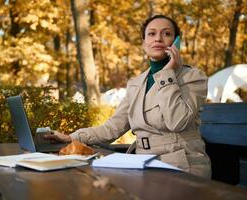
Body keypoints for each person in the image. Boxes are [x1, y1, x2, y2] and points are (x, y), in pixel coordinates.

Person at [45, 14, 211, 179]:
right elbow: (113, 127)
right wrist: (71, 137)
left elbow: (177, 122)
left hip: (183, 166)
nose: (158, 38)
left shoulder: (193, 77)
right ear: (143, 43)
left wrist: (167, 73)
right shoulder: (136, 84)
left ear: (176, 42)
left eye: (166, 34)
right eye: (151, 34)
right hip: (143, 163)